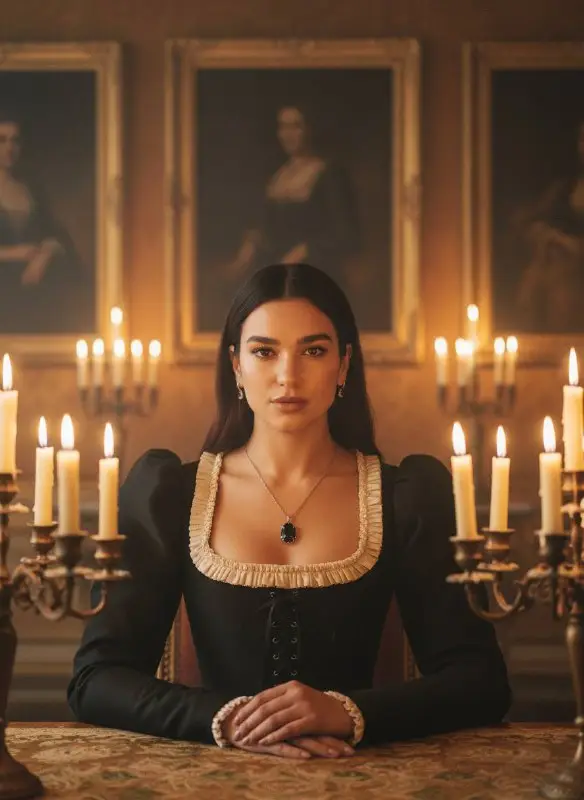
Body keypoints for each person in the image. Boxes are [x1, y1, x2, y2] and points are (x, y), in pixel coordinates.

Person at [68, 263, 511, 759]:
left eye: (314, 351)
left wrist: (348, 713)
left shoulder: (407, 495)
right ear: (236, 365)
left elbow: (481, 681)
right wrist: (227, 720)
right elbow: (95, 680)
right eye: (264, 351)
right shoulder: (170, 492)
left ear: (344, 365)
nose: (288, 375)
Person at [225, 105, 360, 288]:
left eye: (296, 126)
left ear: (310, 129)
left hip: (315, 273)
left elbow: (347, 235)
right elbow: (266, 227)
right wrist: (246, 252)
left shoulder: (330, 174)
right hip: (275, 270)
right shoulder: (278, 175)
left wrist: (303, 251)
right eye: (283, 127)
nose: (288, 134)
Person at [0, 109, 86, 334]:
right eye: (2, 140)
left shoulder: (31, 190)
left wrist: (45, 254)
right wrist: (16, 252)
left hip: (34, 291)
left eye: (15, 140)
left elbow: (56, 233)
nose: (9, 147)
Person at [514, 116, 584, 332]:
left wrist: (567, 244)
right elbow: (526, 221)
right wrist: (541, 233)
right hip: (554, 271)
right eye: (583, 139)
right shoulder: (563, 188)